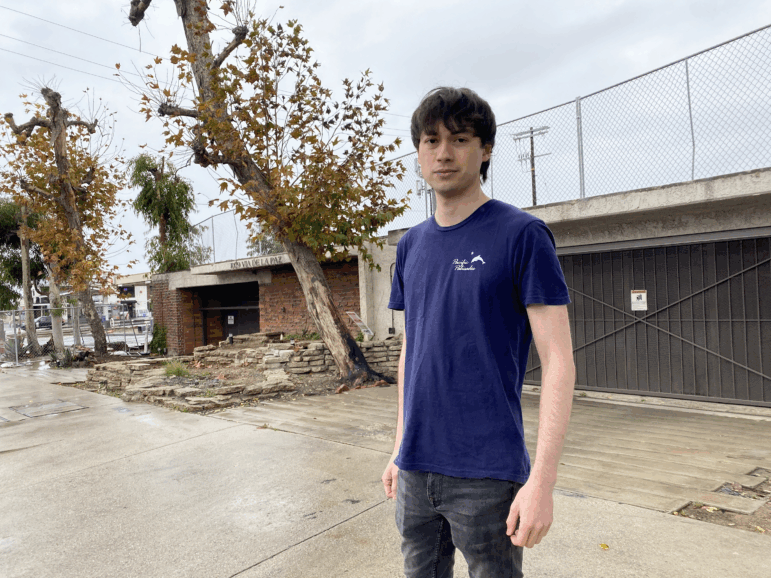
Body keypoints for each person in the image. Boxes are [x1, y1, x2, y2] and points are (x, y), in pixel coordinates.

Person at [381, 87, 576, 578]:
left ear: (485, 149)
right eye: (431, 140)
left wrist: (543, 482)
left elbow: (558, 361)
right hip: (415, 467)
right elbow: (413, 351)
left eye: (459, 139)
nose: (443, 153)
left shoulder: (522, 235)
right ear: (419, 151)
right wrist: (399, 446)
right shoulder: (410, 247)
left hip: (487, 473)